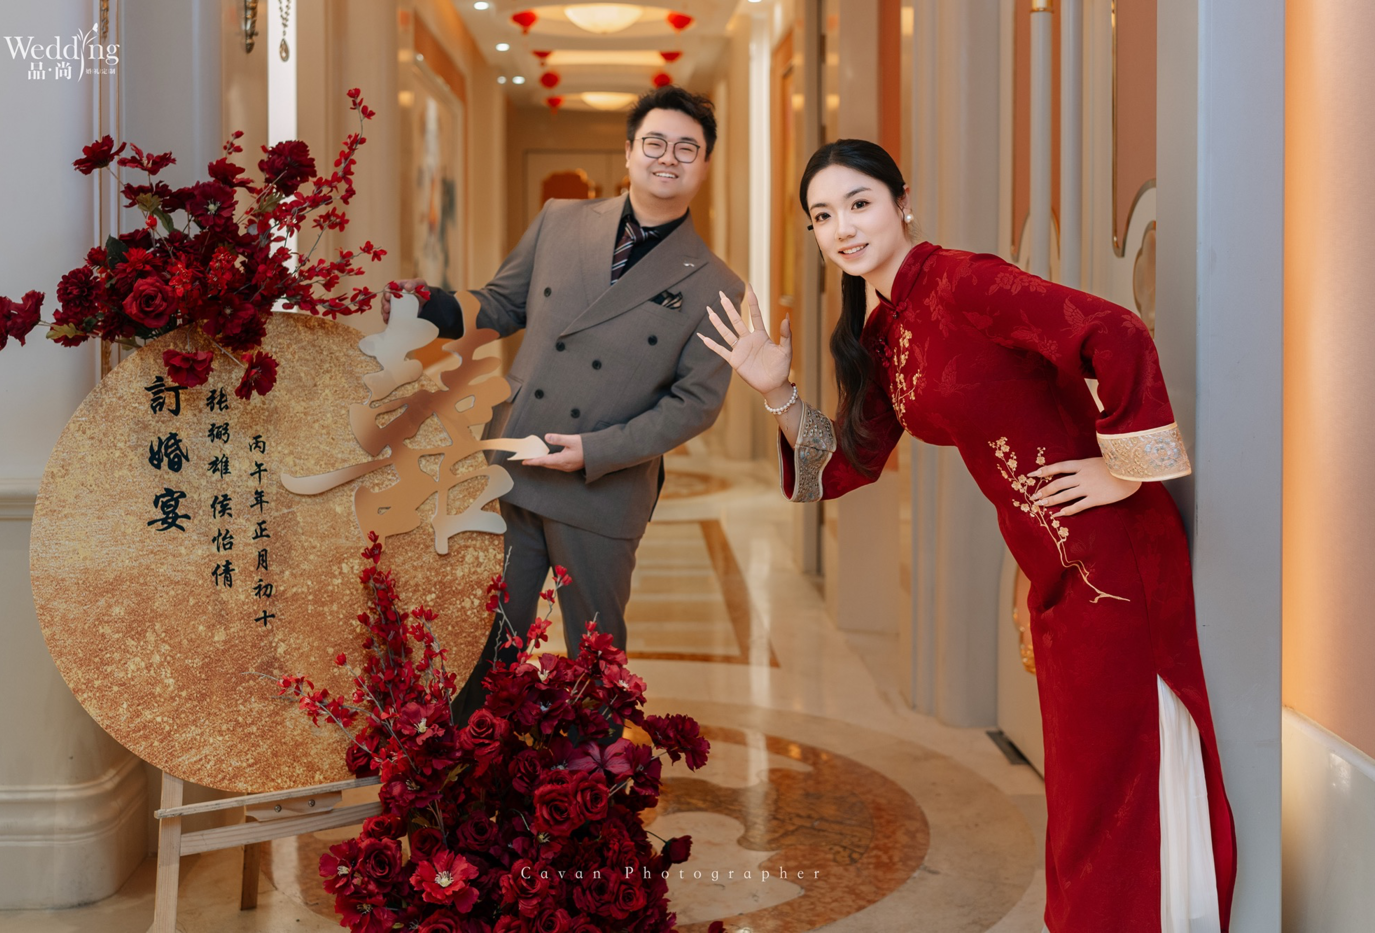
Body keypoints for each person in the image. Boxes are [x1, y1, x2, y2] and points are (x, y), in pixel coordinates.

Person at [700, 139, 1237, 933]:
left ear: (902, 203)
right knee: (1087, 784)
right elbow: (843, 465)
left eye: (859, 203)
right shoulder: (883, 332)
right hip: (1054, 564)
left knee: (1114, 780)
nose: (843, 228)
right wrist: (777, 391)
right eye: (823, 215)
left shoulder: (964, 282)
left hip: (1113, 552)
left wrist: (1125, 470)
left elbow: (1115, 330)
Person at [385, 86, 744, 725]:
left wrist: (595, 451)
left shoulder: (718, 285)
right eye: (654, 143)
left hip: (603, 489)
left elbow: (694, 404)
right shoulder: (560, 219)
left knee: (594, 666)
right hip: (516, 463)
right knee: (485, 645)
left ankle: (588, 783)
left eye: (687, 148)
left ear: (705, 164)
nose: (668, 157)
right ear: (629, 152)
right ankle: (463, 774)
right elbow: (502, 304)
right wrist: (431, 307)